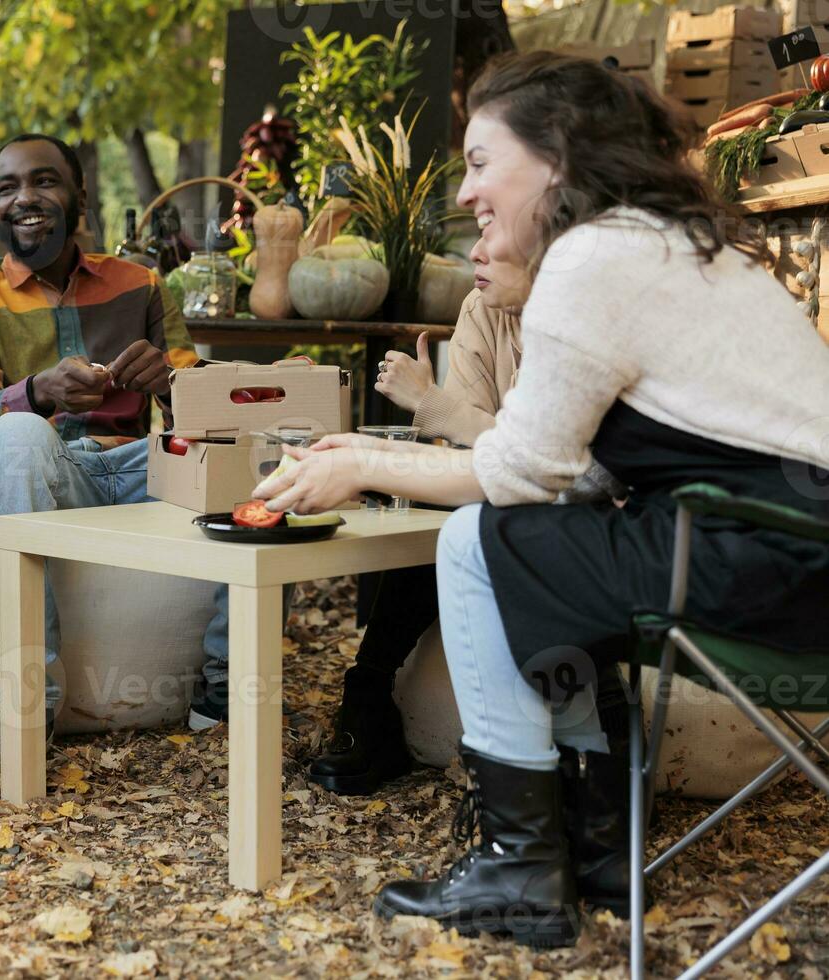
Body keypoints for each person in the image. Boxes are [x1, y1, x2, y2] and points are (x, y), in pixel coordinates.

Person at [255, 51, 829, 947]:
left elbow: (518, 477)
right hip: (783, 554)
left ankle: (521, 863)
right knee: (545, 550)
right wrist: (370, 453)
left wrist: (363, 465)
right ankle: (594, 842)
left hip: (777, 553)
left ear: (556, 156)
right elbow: (575, 477)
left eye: (484, 163)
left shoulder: (594, 255)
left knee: (479, 543)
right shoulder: (659, 245)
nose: (469, 195)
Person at [0, 133, 245, 773]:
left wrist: (170, 383)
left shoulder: (141, 284)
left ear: (79, 195)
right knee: (18, 433)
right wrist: (39, 392)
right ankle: (25, 706)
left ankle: (227, 689)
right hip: (50, 471)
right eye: (7, 187)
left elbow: (206, 410)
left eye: (45, 181)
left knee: (251, 445)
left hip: (140, 469)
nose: (26, 198)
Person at [309, 235, 520, 796]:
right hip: (503, 492)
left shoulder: (578, 321)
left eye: (494, 224)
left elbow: (537, 458)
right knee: (437, 491)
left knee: (449, 496)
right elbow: (470, 447)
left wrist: (432, 404)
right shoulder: (482, 306)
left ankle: (372, 697)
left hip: (573, 518)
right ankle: (369, 696)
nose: (475, 249)